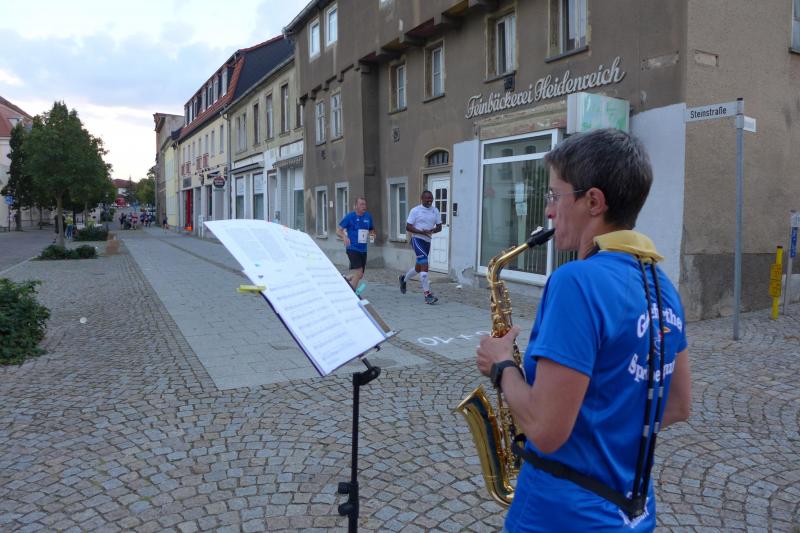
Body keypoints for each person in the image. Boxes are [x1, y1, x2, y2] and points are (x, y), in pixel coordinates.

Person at [475, 129, 691, 532]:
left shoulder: (576, 281)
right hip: (633, 513)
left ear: (593, 201)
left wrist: (501, 365)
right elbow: (677, 405)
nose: (549, 212)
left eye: (555, 196)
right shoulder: (663, 286)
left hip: (560, 515)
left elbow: (545, 430)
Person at [399, 190, 442, 304]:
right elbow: (408, 227)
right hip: (417, 239)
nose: (429, 200)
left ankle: (403, 279)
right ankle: (427, 295)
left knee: (418, 268)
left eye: (431, 198)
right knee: (425, 264)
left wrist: (432, 230)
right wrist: (421, 232)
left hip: (427, 241)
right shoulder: (415, 210)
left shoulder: (435, 210)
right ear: (422, 199)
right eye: (427, 198)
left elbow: (439, 227)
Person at [336, 197, 375, 292]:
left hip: (363, 249)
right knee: (359, 271)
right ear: (356, 206)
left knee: (360, 275)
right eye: (361, 204)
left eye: (365, 204)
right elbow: (338, 230)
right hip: (352, 248)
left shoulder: (368, 216)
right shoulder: (350, 217)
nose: (364, 206)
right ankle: (352, 293)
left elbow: (371, 229)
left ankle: (345, 279)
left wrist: (372, 235)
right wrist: (344, 237)